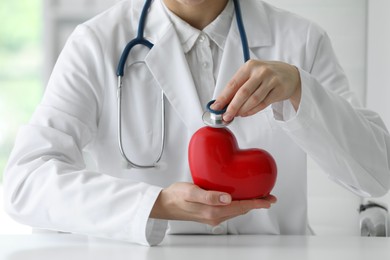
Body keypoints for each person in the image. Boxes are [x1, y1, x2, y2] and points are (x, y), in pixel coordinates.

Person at [4, 0, 390, 246]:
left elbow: (376, 173)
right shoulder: (96, 44)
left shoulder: (301, 40)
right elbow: (25, 182)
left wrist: (300, 90)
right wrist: (153, 204)